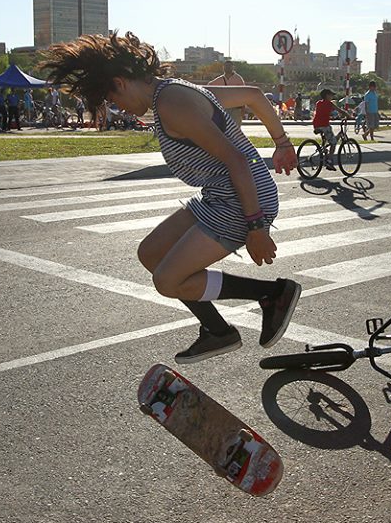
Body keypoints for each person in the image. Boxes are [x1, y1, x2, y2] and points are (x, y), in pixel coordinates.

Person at [39, 32, 301, 363]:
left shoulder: (172, 104)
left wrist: (257, 227)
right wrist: (282, 143)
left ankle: (272, 294)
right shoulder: (175, 90)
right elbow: (253, 94)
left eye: (113, 100)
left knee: (167, 280)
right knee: (151, 253)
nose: (119, 108)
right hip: (223, 193)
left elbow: (236, 159)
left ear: (120, 82)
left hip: (242, 198)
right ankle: (217, 330)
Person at [312, 88, 350, 170]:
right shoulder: (330, 104)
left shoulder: (318, 103)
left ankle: (325, 152)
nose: (332, 96)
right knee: (333, 143)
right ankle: (329, 161)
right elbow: (340, 111)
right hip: (324, 126)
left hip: (316, 125)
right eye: (331, 95)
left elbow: (321, 113)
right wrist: (348, 115)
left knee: (326, 140)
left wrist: (331, 117)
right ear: (326, 96)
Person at [208, 60, 246, 127]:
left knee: (236, 127)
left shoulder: (238, 79)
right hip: (224, 108)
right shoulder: (220, 79)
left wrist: (243, 109)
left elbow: (243, 94)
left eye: (229, 66)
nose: (227, 68)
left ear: (233, 67)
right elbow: (209, 86)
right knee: (225, 127)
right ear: (223, 67)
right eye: (226, 66)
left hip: (236, 108)